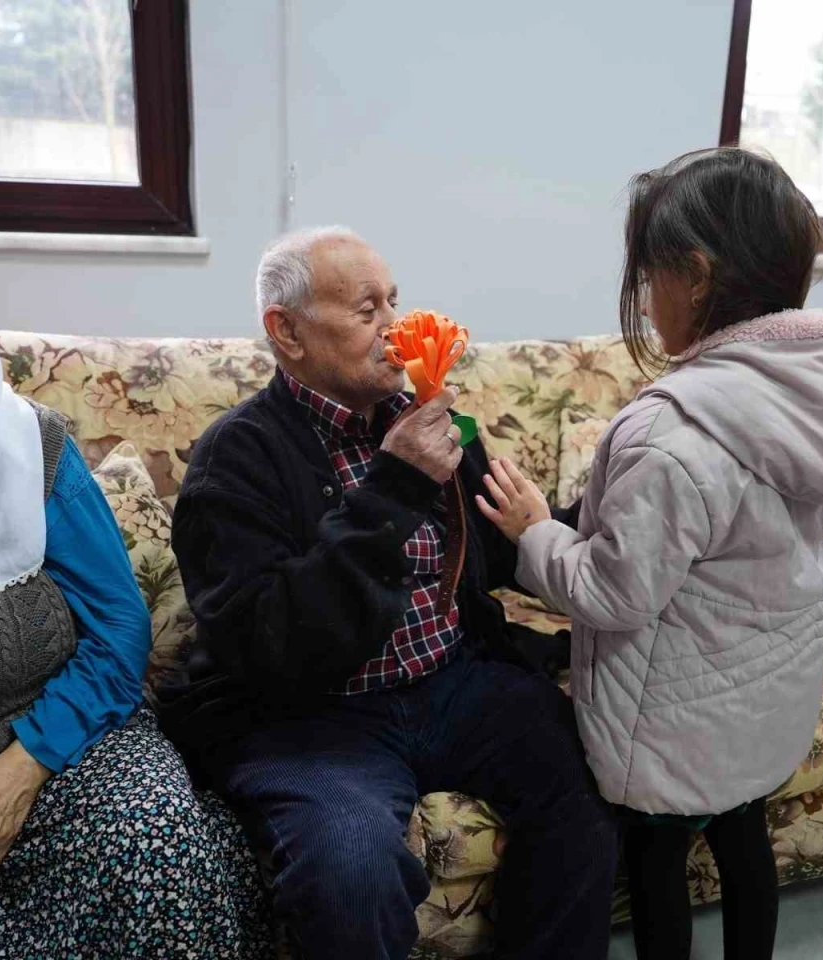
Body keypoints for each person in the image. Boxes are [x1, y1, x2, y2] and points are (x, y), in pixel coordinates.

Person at [476, 147, 823, 960]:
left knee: (657, 860)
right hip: (765, 700)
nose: (645, 301)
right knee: (746, 841)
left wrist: (534, 529)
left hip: (672, 717)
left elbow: (613, 594)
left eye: (649, 278)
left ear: (698, 277)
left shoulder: (673, 432)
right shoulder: (809, 397)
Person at [156, 226, 619, 960]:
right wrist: (395, 485)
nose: (396, 329)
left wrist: (604, 505)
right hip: (311, 715)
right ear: (288, 332)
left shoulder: (427, 421)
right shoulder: (235, 458)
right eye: (367, 309)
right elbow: (271, 643)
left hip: (452, 678)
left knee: (597, 781)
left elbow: (498, 548)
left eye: (394, 303)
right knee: (348, 872)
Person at [0, 209, 269, 958]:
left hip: (55, 759)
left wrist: (21, 769)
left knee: (155, 843)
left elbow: (119, 630)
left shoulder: (26, 445)